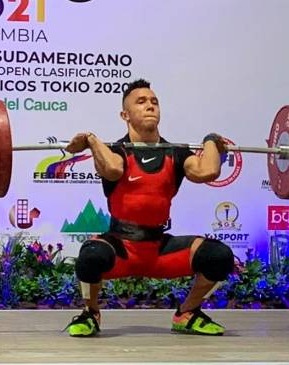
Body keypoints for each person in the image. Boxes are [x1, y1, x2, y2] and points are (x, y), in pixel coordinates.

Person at [63, 79, 235, 337]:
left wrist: (210, 141)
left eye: (154, 102)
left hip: (159, 250)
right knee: (91, 255)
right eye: (141, 102)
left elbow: (208, 171)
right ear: (125, 115)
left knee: (218, 256)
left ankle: (186, 313)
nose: (150, 106)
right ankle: (91, 314)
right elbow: (112, 169)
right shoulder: (116, 151)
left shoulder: (176, 153)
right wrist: (91, 140)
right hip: (121, 248)